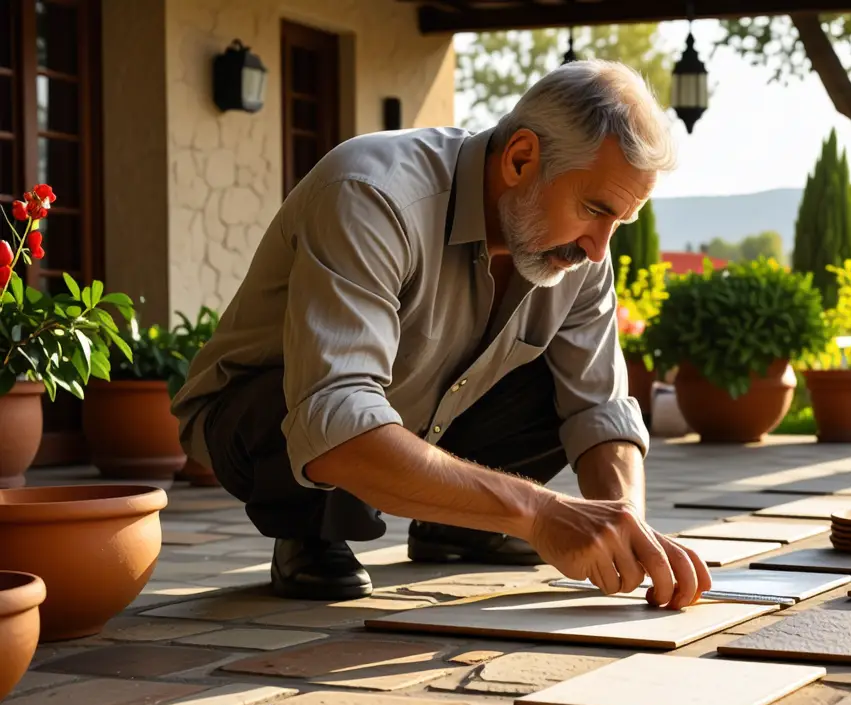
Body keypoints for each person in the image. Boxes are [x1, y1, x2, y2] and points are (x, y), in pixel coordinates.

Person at [170, 59, 712, 609]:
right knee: (314, 407)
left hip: (420, 417)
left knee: (562, 384)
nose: (599, 247)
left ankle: (459, 529)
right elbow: (334, 417)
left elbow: (598, 408)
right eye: (594, 209)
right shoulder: (372, 193)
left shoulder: (581, 255)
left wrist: (629, 533)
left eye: (618, 222)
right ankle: (312, 533)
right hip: (263, 415)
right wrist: (540, 513)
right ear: (522, 158)